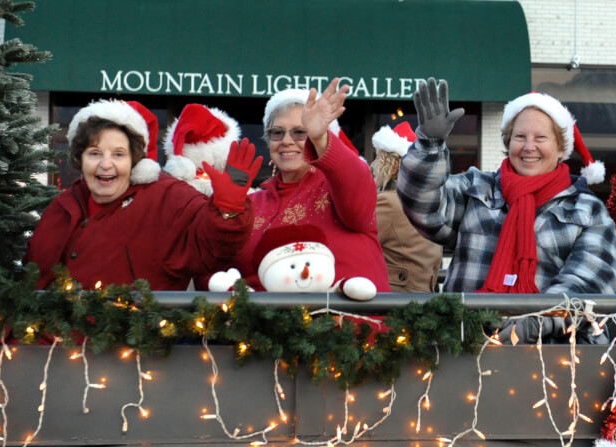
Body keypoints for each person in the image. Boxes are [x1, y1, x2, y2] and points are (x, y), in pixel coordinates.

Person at [397, 78, 616, 343]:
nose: (528, 147)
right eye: (520, 137)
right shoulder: (476, 187)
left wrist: (531, 322)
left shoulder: (587, 210)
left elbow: (592, 281)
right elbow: (424, 207)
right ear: (508, 141)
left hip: (551, 357)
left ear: (561, 148)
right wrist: (429, 146)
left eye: (540, 138)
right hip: (464, 346)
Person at [23, 99, 262, 290]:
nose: (105, 164)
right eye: (95, 153)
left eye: (118, 154)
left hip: (128, 344)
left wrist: (228, 209)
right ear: (80, 158)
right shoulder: (64, 204)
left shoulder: (169, 196)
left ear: (135, 161)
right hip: (49, 341)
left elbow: (213, 250)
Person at [207, 78, 390, 292]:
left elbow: (355, 189)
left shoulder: (335, 185)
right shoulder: (252, 204)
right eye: (277, 132)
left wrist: (320, 139)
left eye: (300, 132)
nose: (286, 140)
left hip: (345, 321)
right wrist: (226, 211)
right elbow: (216, 264)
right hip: (267, 322)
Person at [371, 122, 442, 292]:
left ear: (393, 164)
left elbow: (357, 248)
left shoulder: (389, 203)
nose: (373, 165)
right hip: (423, 301)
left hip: (393, 305)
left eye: (378, 158)